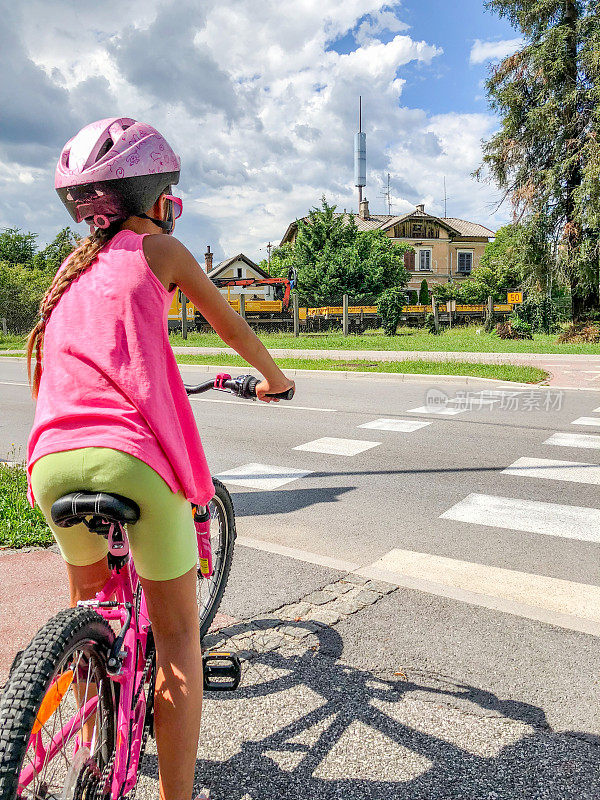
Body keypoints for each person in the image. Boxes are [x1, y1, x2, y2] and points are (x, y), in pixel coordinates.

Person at [25, 117, 294, 800]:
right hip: (130, 461)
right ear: (155, 198)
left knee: (88, 612)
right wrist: (274, 378)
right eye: (170, 193)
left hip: (52, 460)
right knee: (177, 638)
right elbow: (228, 323)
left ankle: (93, 742)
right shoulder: (162, 251)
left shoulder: (68, 270)